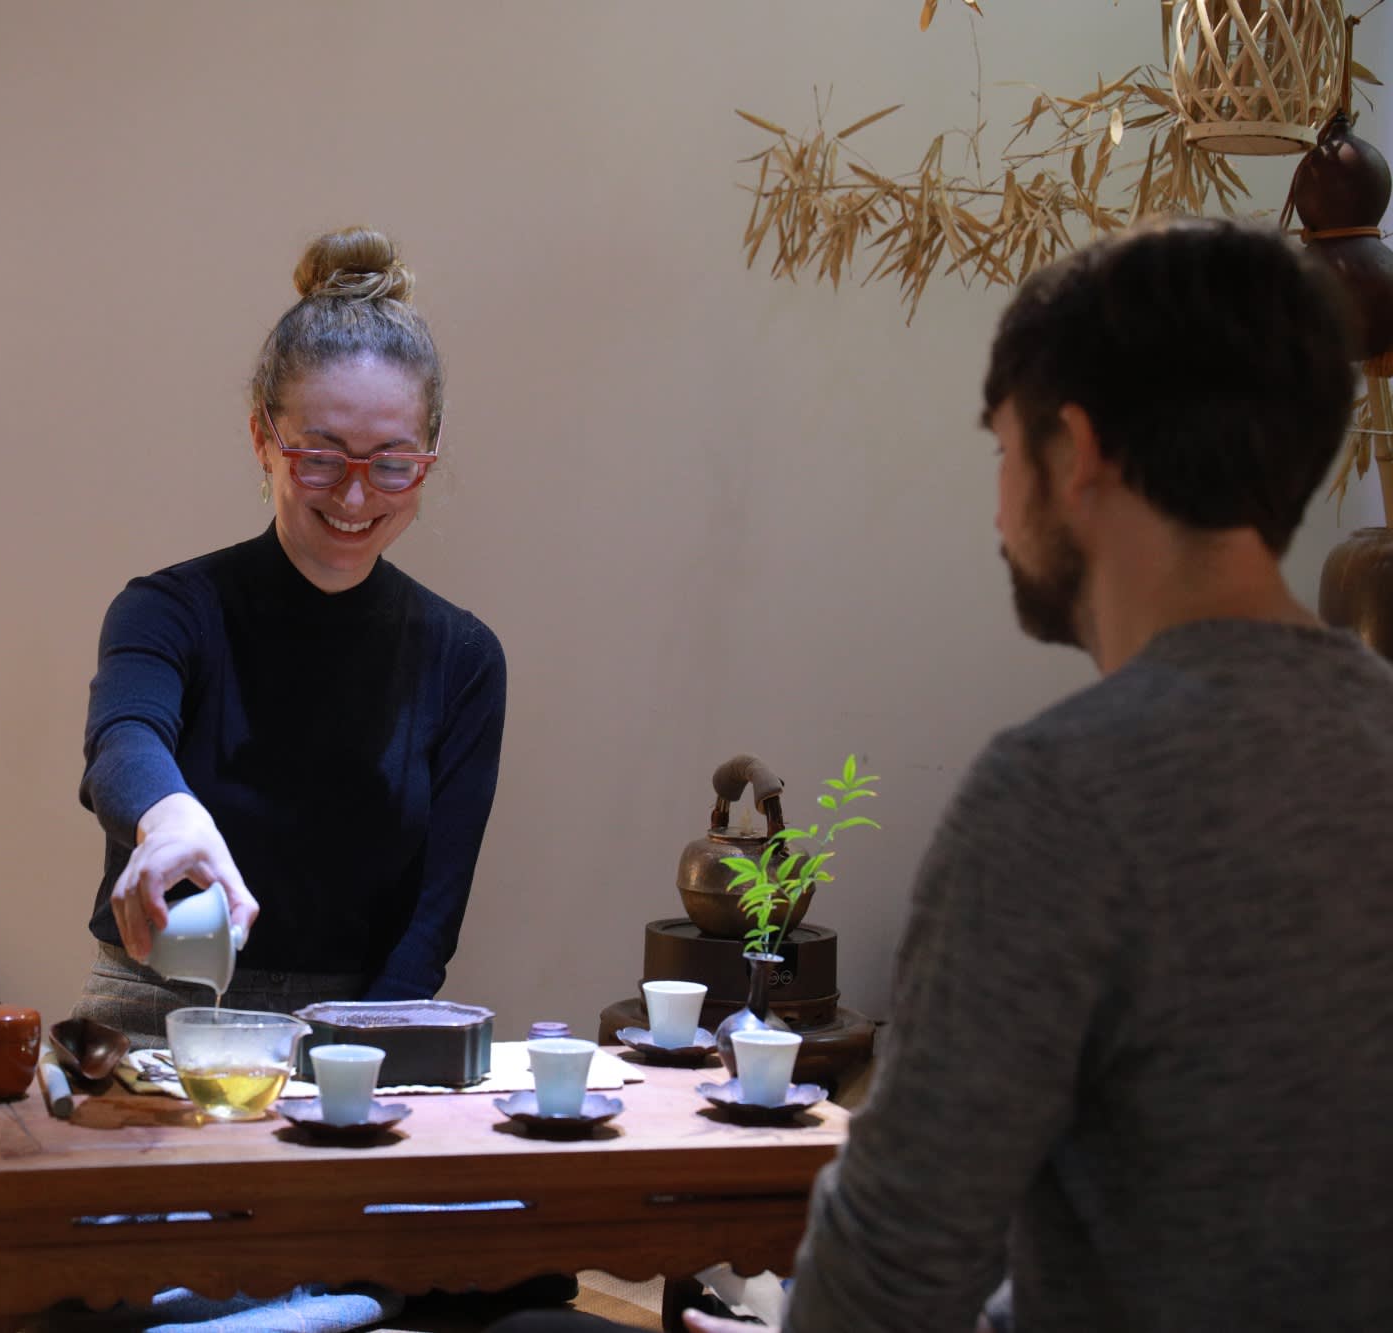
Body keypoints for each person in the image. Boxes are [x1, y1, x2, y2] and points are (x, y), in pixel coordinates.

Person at [516, 218, 1393, 1333]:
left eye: (1002, 452)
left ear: (1075, 452)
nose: (996, 507)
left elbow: (893, 1270)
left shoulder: (1061, 797)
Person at [72, 227, 507, 1046]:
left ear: (430, 452)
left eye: (392, 462)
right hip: (154, 1008)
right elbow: (123, 738)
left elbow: (431, 920)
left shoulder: (463, 659)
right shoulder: (168, 609)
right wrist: (171, 819)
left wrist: (354, 1055)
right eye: (321, 457)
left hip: (354, 1020)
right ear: (262, 440)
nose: (355, 496)